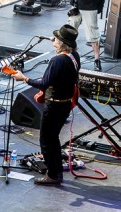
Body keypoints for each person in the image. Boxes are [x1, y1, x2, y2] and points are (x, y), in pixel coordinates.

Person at [11, 24, 80, 185]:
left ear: (62, 42)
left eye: (55, 39)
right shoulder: (74, 56)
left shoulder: (57, 60)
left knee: (45, 140)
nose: (53, 41)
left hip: (54, 106)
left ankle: (53, 175)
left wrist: (24, 78)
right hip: (65, 105)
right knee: (53, 137)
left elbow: (45, 83)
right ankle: (56, 171)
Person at [68, 0, 103, 71]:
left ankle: (97, 60)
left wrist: (99, 7)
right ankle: (68, 55)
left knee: (93, 35)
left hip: (90, 7)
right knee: (70, 31)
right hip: (77, 5)